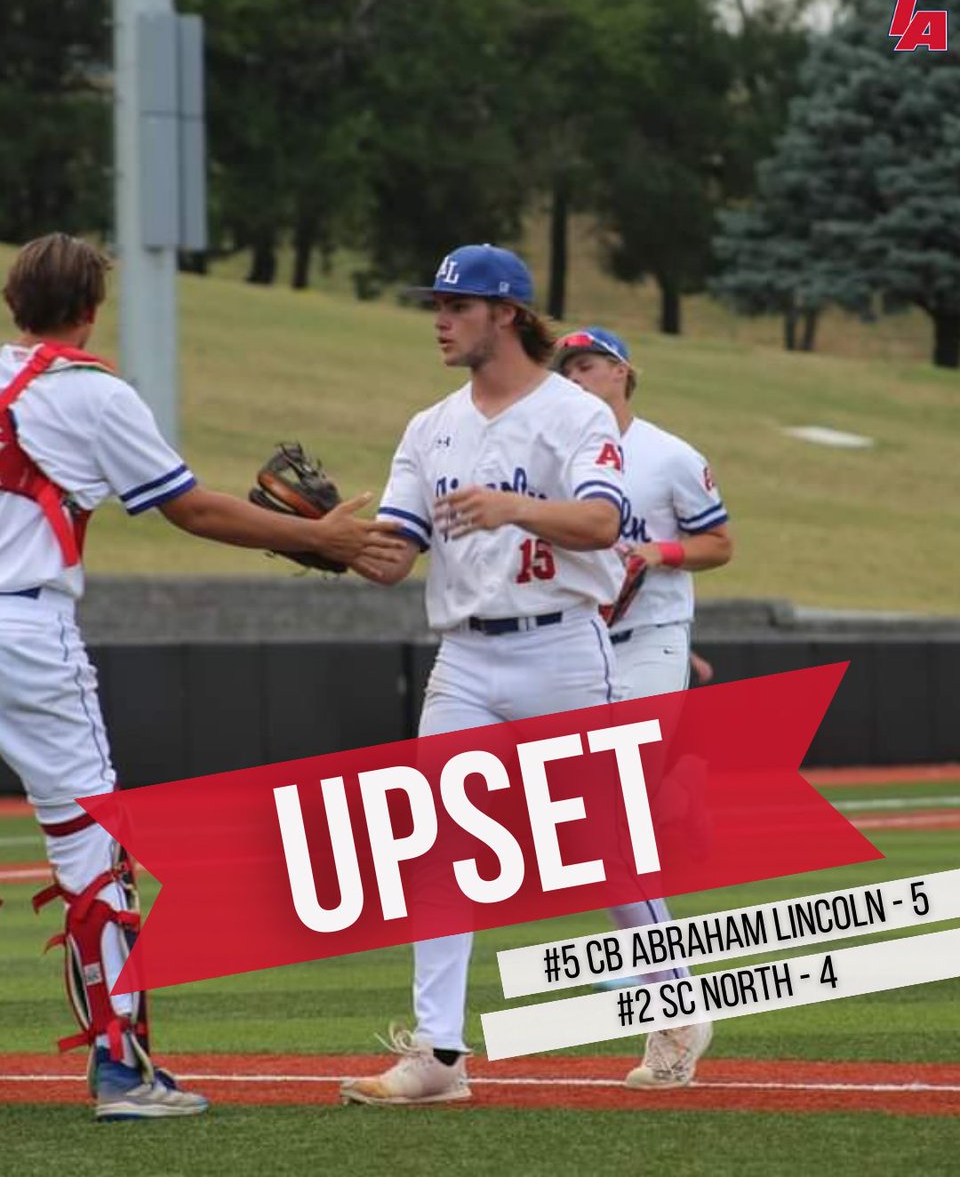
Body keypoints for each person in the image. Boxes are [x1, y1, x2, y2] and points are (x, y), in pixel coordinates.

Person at [0, 233, 402, 1121]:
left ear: (13, 305)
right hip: (23, 628)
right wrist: (318, 537)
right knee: (90, 845)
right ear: (90, 310)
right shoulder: (92, 393)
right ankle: (123, 1072)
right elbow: (189, 507)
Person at [339, 244, 626, 1106]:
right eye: (437, 303)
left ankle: (673, 999)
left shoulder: (575, 414)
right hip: (465, 655)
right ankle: (438, 1056)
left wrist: (513, 507)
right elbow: (394, 559)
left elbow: (604, 522)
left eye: (456, 306)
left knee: (606, 847)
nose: (440, 318)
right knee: (434, 843)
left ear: (506, 313)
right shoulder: (430, 428)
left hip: (564, 645)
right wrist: (323, 539)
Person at [554, 325, 732, 1090]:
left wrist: (659, 554)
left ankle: (676, 1011)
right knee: (591, 838)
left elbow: (719, 543)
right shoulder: (553, 456)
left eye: (589, 364)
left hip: (652, 639)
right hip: (576, 644)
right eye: (566, 368)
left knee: (607, 816)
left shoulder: (668, 455)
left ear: (625, 373)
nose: (577, 376)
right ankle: (675, 792)